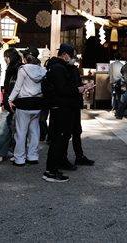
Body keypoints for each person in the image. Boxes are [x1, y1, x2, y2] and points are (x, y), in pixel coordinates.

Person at [42, 44, 93, 183]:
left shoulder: (57, 67)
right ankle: (51, 171)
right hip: (61, 107)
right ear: (65, 55)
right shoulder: (58, 68)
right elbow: (62, 89)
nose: (73, 59)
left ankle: (53, 169)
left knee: (60, 138)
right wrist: (78, 89)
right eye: (72, 56)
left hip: (62, 107)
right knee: (58, 139)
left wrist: (80, 88)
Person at [8, 47, 46, 166]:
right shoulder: (42, 70)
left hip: (24, 103)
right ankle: (32, 156)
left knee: (21, 132)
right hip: (37, 103)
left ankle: (19, 158)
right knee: (34, 131)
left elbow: (17, 87)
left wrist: (10, 99)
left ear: (26, 58)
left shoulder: (23, 70)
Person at [0, 48, 22, 161]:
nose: (5, 60)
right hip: (19, 100)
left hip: (11, 100)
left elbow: (10, 86)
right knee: (15, 127)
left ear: (8, 58)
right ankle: (12, 151)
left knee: (4, 127)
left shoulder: (12, 69)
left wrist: (7, 100)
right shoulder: (20, 67)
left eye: (5, 58)